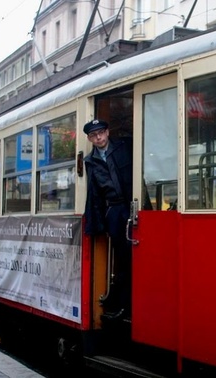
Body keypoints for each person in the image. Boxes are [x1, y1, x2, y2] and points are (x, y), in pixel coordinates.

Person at [83, 119, 133, 319]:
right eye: (94, 135)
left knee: (134, 255)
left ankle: (126, 301)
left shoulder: (124, 146)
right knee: (122, 257)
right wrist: (97, 222)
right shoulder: (90, 161)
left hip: (131, 206)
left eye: (101, 133)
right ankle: (122, 301)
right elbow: (93, 193)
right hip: (114, 210)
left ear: (107, 132)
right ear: (89, 138)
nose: (99, 138)